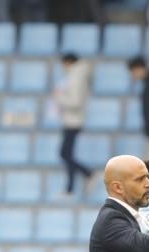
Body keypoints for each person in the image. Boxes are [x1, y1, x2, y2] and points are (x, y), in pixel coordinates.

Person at [54, 53, 94, 199]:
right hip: (72, 120)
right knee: (67, 154)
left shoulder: (76, 77)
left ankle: (87, 174)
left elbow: (75, 102)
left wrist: (59, 97)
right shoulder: (79, 75)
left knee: (65, 154)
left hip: (73, 121)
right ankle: (70, 188)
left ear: (68, 62)